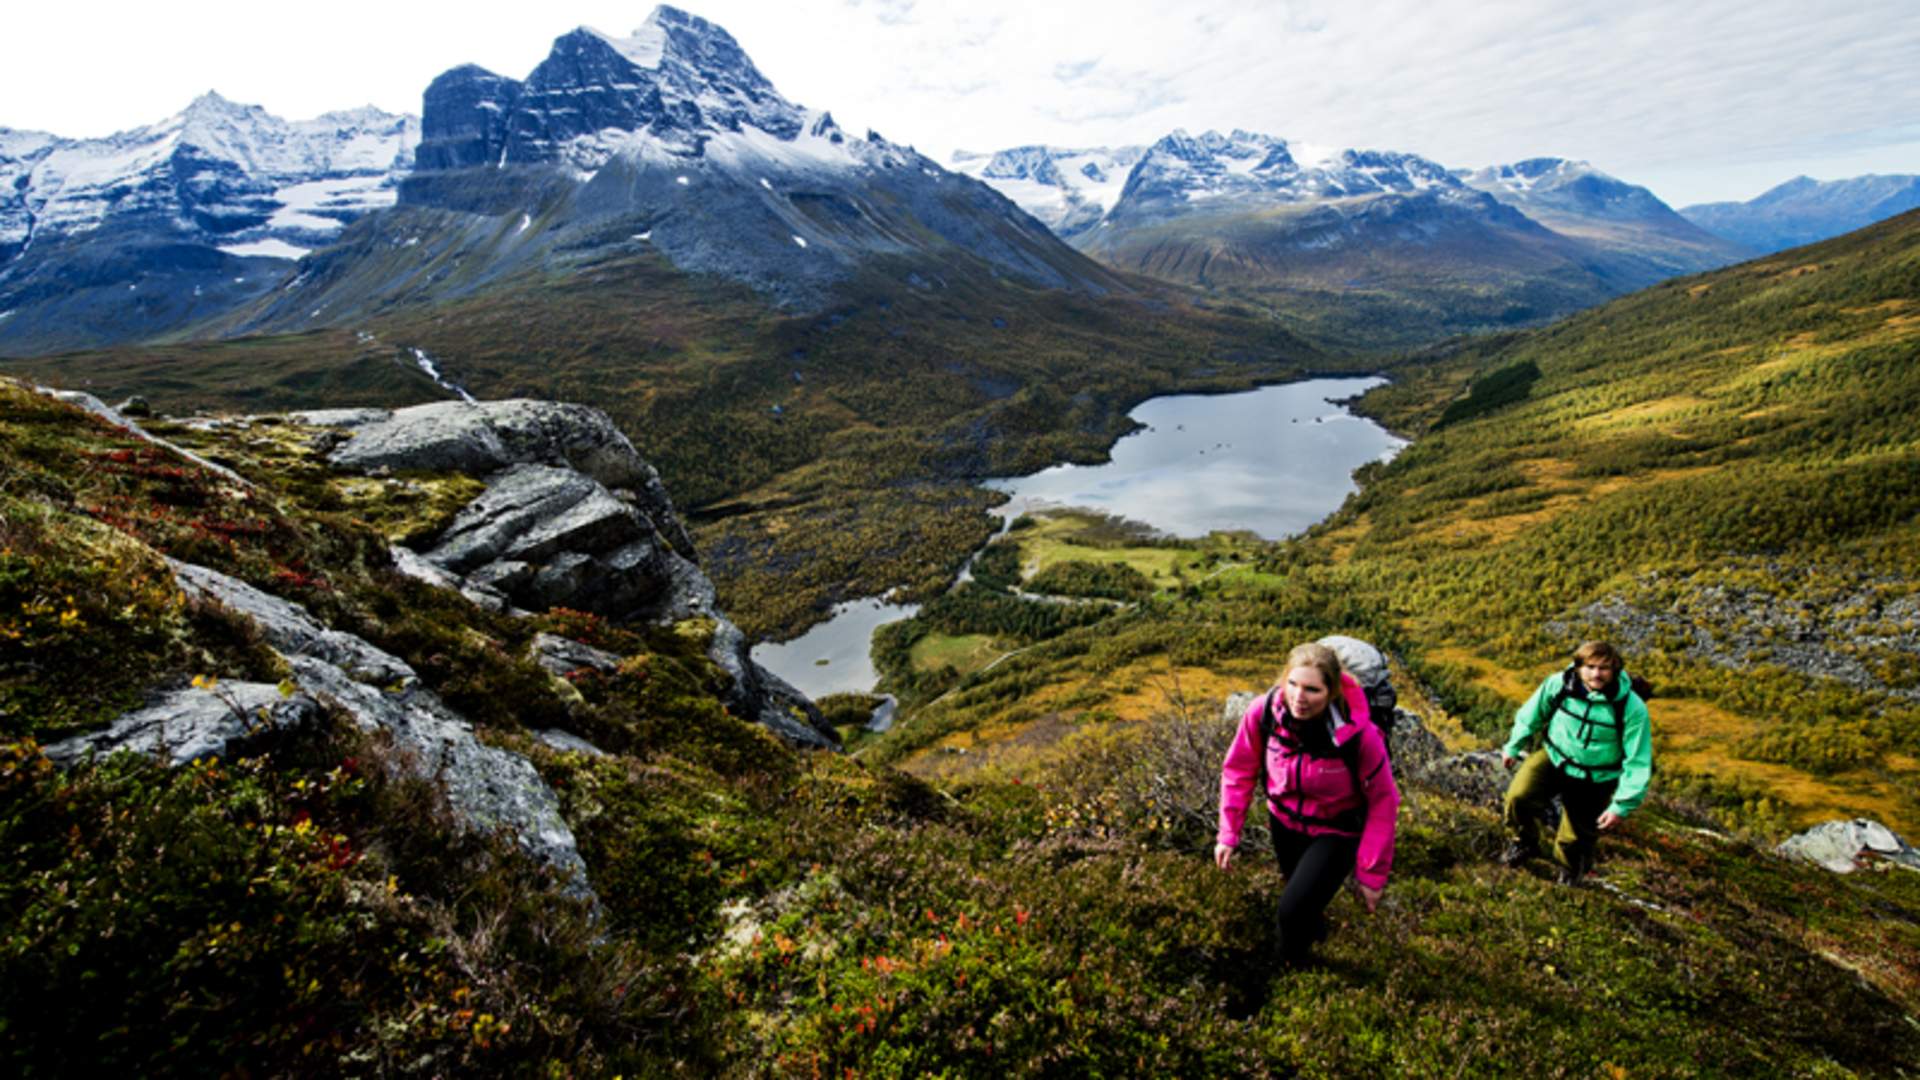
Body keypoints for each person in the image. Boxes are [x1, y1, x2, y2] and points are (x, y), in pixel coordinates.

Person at [1215, 643, 1400, 965]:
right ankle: (1315, 939)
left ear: (1331, 692)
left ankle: (1288, 970)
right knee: (1302, 899)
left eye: (1313, 689)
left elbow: (1384, 802)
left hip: (1337, 832)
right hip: (1284, 824)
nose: (1299, 697)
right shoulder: (1263, 713)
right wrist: (1228, 833)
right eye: (1293, 684)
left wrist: (1371, 874)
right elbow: (1239, 771)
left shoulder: (1359, 736)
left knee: (1291, 911)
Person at [1499, 640, 1653, 883]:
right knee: (1518, 799)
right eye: (1590, 667)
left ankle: (1569, 876)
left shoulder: (1631, 707)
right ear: (1578, 666)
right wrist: (1514, 745)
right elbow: (1532, 713)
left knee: (1575, 837)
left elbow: (1638, 760)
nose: (1596, 674)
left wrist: (1621, 805)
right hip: (1554, 757)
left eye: (1604, 668)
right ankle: (1524, 842)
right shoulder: (1560, 684)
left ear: (1615, 670)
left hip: (1597, 777)